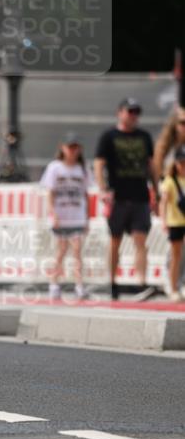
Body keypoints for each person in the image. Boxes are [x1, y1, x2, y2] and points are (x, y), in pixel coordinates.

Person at [94, 97, 159, 301]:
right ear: (120, 112)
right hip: (118, 196)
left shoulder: (145, 136)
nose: (133, 116)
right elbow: (98, 164)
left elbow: (151, 164)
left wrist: (156, 190)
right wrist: (103, 189)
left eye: (136, 112)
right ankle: (112, 282)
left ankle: (141, 283)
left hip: (140, 195)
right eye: (130, 111)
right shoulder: (109, 136)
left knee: (141, 239)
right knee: (115, 240)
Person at [40, 132, 94, 301]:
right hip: (61, 215)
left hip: (77, 215)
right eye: (70, 147)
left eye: (75, 147)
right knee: (61, 250)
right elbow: (50, 193)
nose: (73, 151)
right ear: (63, 148)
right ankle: (54, 283)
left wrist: (87, 218)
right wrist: (53, 214)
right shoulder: (55, 167)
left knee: (77, 250)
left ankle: (79, 285)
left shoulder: (82, 169)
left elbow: (86, 194)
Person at [159, 144, 185, 301]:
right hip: (175, 222)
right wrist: (164, 221)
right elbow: (163, 202)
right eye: (181, 163)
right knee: (176, 256)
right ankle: (173, 286)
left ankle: (181, 284)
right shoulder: (170, 181)